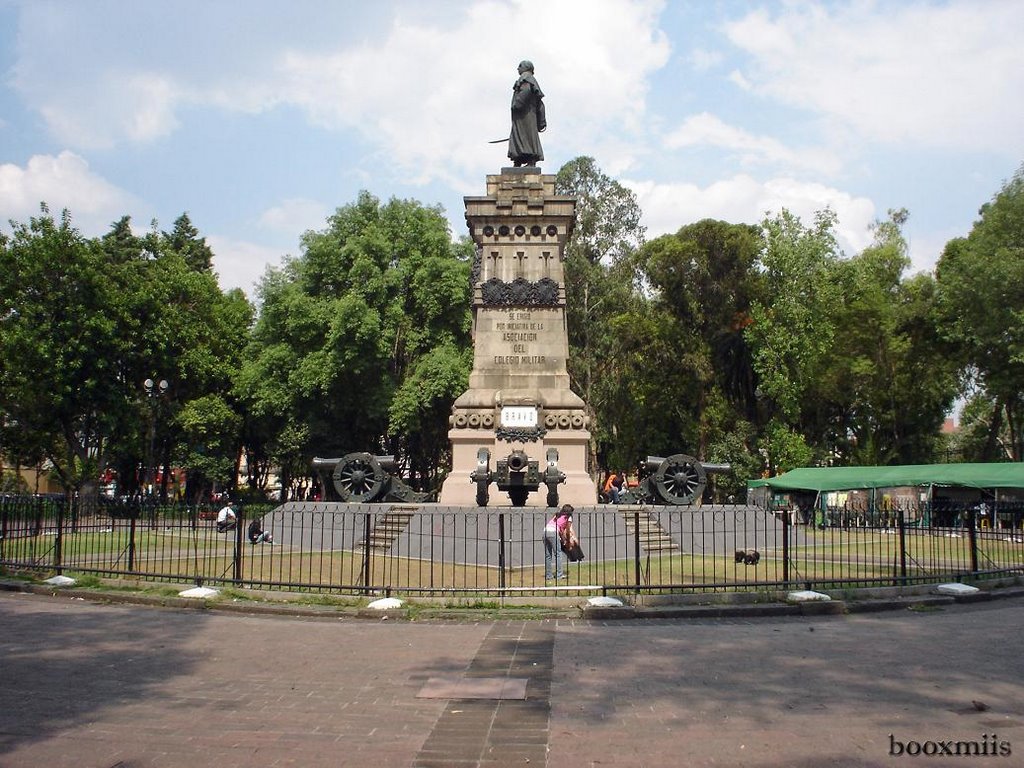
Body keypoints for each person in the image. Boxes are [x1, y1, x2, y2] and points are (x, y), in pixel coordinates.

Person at [508, 60, 545, 167]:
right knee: (518, 136)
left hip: (526, 115)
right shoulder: (526, 79)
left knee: (527, 135)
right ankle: (518, 158)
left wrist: (517, 104)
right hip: (521, 117)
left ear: (526, 67)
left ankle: (530, 159)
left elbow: (526, 91)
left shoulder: (527, 79)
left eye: (520, 66)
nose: (517, 68)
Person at [543, 504, 575, 580]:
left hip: (545, 531)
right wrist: (567, 541)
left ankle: (548, 575)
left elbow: (560, 530)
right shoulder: (568, 517)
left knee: (548, 555)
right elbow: (567, 531)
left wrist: (563, 539)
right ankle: (559, 575)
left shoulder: (557, 515)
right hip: (553, 532)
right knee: (558, 554)